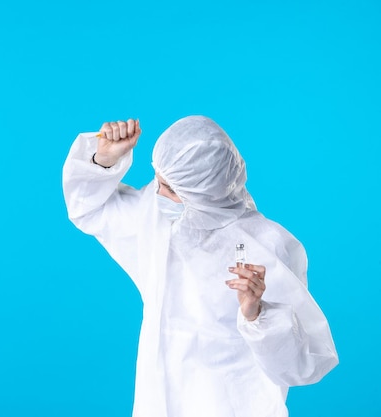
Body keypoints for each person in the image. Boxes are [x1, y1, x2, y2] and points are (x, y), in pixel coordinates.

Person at [62, 116, 338, 417]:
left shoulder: (267, 246)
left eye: (170, 188)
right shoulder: (158, 220)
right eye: (158, 179)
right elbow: (89, 209)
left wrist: (257, 315)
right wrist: (103, 160)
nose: (157, 193)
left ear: (205, 194)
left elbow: (300, 368)